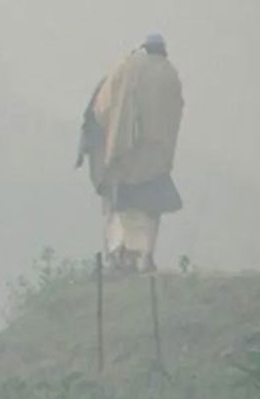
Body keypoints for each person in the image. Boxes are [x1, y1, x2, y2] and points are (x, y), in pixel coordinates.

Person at [77, 33, 184, 273]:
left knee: (120, 208)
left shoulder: (128, 67)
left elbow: (103, 110)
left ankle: (120, 256)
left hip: (124, 156)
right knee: (149, 211)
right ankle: (143, 257)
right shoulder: (170, 73)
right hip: (156, 158)